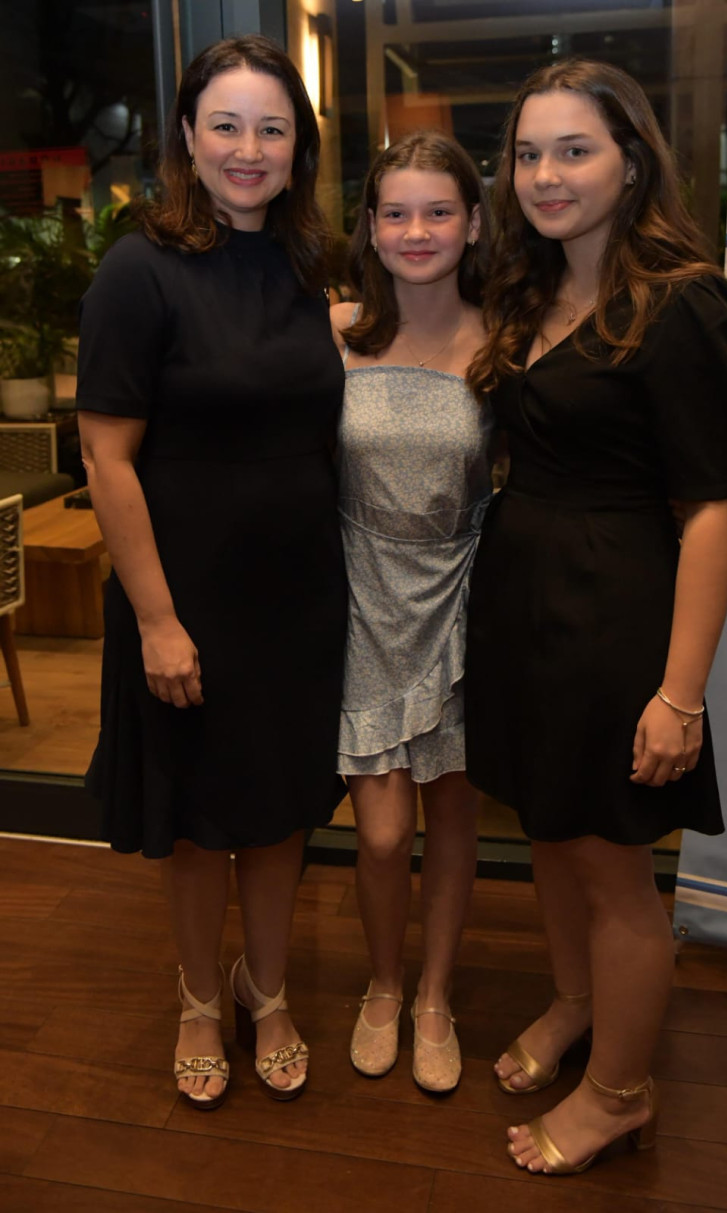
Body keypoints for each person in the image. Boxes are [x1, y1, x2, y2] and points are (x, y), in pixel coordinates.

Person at [464, 58, 727, 1172]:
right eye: (526, 153)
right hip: (524, 609)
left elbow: (707, 514)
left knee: (611, 870)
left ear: (631, 159)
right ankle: (572, 1001)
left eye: (573, 150)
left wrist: (676, 696)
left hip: (613, 620)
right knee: (550, 836)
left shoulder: (685, 305)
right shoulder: (528, 289)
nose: (543, 175)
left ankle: (619, 1092)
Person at [77, 35, 347, 1107]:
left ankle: (264, 985)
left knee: (278, 814)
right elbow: (105, 456)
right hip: (181, 595)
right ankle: (199, 998)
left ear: (298, 148)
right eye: (225, 125)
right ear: (186, 136)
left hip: (298, 600)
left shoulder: (307, 264)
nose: (248, 148)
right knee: (194, 826)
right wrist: (155, 619)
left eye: (271, 128)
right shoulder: (137, 269)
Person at [330, 131, 493, 1093]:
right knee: (384, 834)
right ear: (373, 227)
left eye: (439, 211)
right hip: (359, 594)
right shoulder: (336, 329)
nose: (417, 230)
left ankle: (434, 993)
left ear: (473, 224)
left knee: (455, 821)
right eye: (396, 212)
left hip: (464, 599)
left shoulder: (508, 340)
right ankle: (380, 984)